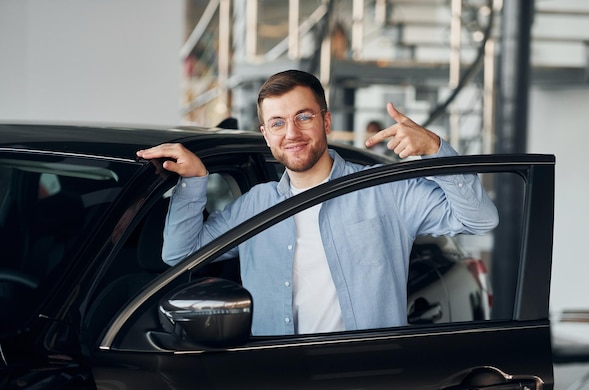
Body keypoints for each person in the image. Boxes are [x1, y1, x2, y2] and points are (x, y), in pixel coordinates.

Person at [136, 69, 498, 336]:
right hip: (275, 385)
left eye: (303, 117)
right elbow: (179, 254)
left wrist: (435, 151)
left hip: (364, 382)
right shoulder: (255, 205)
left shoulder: (384, 190)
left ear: (326, 120)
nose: (291, 133)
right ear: (266, 135)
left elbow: (480, 220)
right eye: (277, 123)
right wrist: (194, 181)